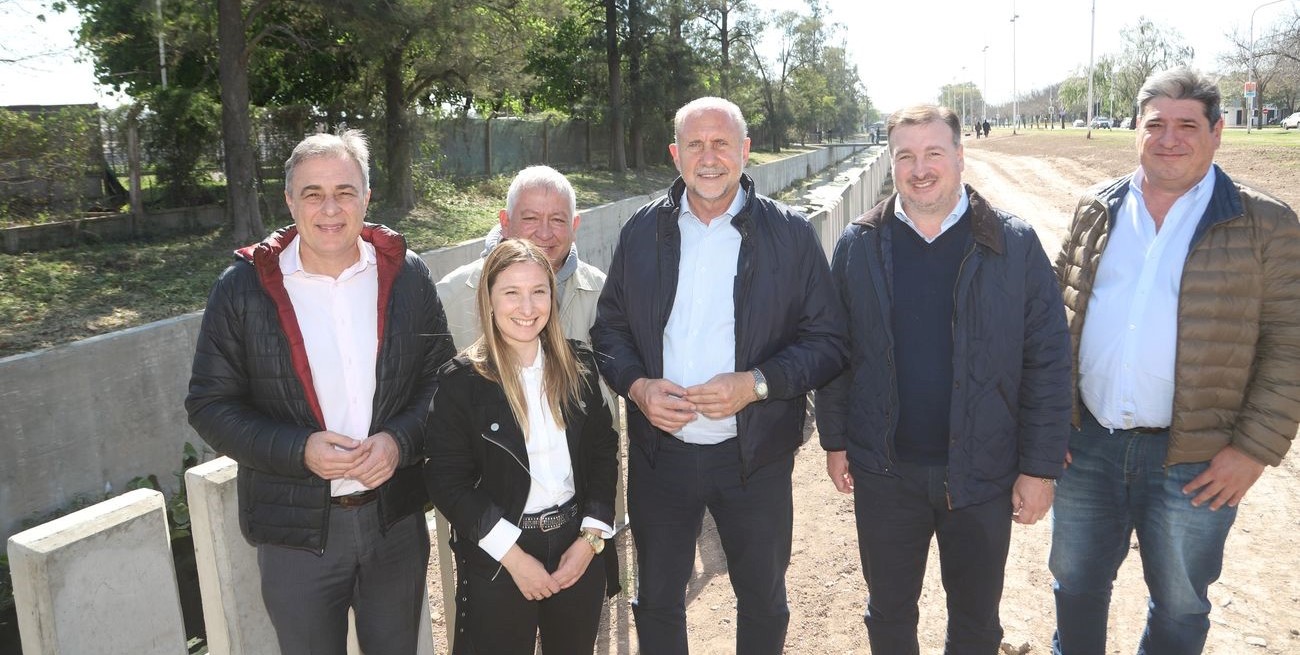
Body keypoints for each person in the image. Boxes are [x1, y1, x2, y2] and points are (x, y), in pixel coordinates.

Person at [1050, 67, 1300, 655]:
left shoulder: (1266, 224)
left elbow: (1290, 344)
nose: (1169, 139)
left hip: (1196, 459)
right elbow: (1056, 318)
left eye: (1187, 125)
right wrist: (1048, 421)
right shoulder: (1096, 208)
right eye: (1155, 124)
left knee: (1181, 604)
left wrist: (1253, 451)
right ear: (1135, 129)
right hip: (1086, 445)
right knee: (1076, 585)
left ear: (1217, 131)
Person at [590, 96, 847, 655]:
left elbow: (828, 343)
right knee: (656, 601)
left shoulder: (791, 236)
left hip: (754, 457)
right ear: (675, 154)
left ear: (745, 151)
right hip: (660, 456)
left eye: (722, 143)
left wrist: (756, 384)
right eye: (695, 145)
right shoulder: (641, 231)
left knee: (763, 600)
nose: (709, 158)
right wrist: (638, 387)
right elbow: (608, 330)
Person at [185, 129, 455, 654]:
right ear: (289, 201)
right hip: (296, 536)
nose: (330, 209)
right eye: (313, 194)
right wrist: (300, 450)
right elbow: (209, 405)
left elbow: (442, 379)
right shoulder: (242, 289)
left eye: (344, 192)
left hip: (394, 522)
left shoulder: (406, 275)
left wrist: (399, 441)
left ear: (367, 197)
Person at [816, 104, 1072, 655]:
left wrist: (1040, 467)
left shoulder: (1014, 244)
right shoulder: (859, 245)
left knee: (976, 622)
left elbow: (1048, 360)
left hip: (982, 472)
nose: (920, 169)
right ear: (891, 163)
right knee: (888, 614)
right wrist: (835, 440)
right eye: (905, 156)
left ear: (960, 155)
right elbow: (838, 353)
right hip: (886, 473)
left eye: (934, 153)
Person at [424, 238, 618, 654]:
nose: (527, 308)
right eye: (511, 292)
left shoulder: (580, 367)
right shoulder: (462, 383)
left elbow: (604, 451)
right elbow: (447, 481)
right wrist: (513, 558)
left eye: (538, 291)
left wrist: (591, 539)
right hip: (499, 554)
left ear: (552, 295)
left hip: (575, 544)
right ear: (489, 300)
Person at [437, 165, 605, 351]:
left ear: (574, 226)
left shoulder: (604, 295)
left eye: (557, 220)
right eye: (530, 219)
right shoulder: (448, 299)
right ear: (505, 222)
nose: (544, 233)